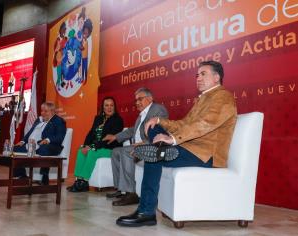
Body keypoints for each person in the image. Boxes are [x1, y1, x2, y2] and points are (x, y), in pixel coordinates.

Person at [115, 61, 238, 227]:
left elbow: (205, 124)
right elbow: (184, 124)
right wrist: (159, 121)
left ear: (216, 77)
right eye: (197, 75)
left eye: (203, 74)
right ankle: (159, 148)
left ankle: (146, 211)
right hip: (189, 147)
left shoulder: (223, 96)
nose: (198, 78)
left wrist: (172, 139)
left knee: (154, 155)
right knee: (155, 129)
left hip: (205, 155)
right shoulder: (204, 99)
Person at [103, 88, 168, 206]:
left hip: (150, 149)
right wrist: (116, 137)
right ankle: (121, 190)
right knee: (115, 151)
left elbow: (162, 130)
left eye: (140, 99)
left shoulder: (157, 110)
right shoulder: (141, 115)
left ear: (150, 99)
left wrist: (145, 142)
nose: (137, 102)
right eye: (136, 100)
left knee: (125, 151)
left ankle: (130, 193)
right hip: (137, 147)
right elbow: (133, 130)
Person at [67, 97, 124, 192]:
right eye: (106, 105)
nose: (109, 108)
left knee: (92, 152)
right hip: (98, 146)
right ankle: (79, 180)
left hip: (110, 148)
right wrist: (86, 145)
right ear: (103, 107)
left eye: (111, 105)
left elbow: (108, 139)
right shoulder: (98, 118)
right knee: (81, 151)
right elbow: (91, 133)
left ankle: (84, 182)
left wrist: (92, 146)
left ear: (114, 107)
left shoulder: (118, 120)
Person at [13, 102, 66, 185]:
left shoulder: (58, 121)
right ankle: (22, 175)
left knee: (43, 149)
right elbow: (30, 132)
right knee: (15, 149)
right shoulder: (39, 119)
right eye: (42, 111)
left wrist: (47, 140)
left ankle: (44, 176)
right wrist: (23, 141)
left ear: (52, 111)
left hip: (51, 146)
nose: (43, 113)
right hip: (32, 145)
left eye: (46, 111)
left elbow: (60, 137)